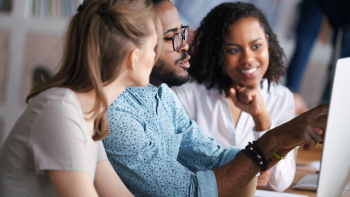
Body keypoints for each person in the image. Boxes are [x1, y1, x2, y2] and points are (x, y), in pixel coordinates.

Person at [103, 0, 328, 196]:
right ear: (136, 46)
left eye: (182, 33)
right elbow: (187, 192)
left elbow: (217, 159)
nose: (185, 44)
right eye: (172, 37)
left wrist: (288, 138)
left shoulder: (163, 96)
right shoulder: (117, 114)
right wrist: (276, 138)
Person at [0, 0, 162, 196]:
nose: (156, 56)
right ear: (133, 57)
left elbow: (115, 192)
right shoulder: (60, 110)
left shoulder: (90, 113)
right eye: (153, 47)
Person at [172, 2, 294, 192]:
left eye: (256, 46)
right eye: (234, 50)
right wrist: (243, 169)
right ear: (218, 53)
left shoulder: (281, 98)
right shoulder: (187, 94)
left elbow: (281, 182)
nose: (248, 58)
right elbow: (173, 169)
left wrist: (262, 121)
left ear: (267, 43)